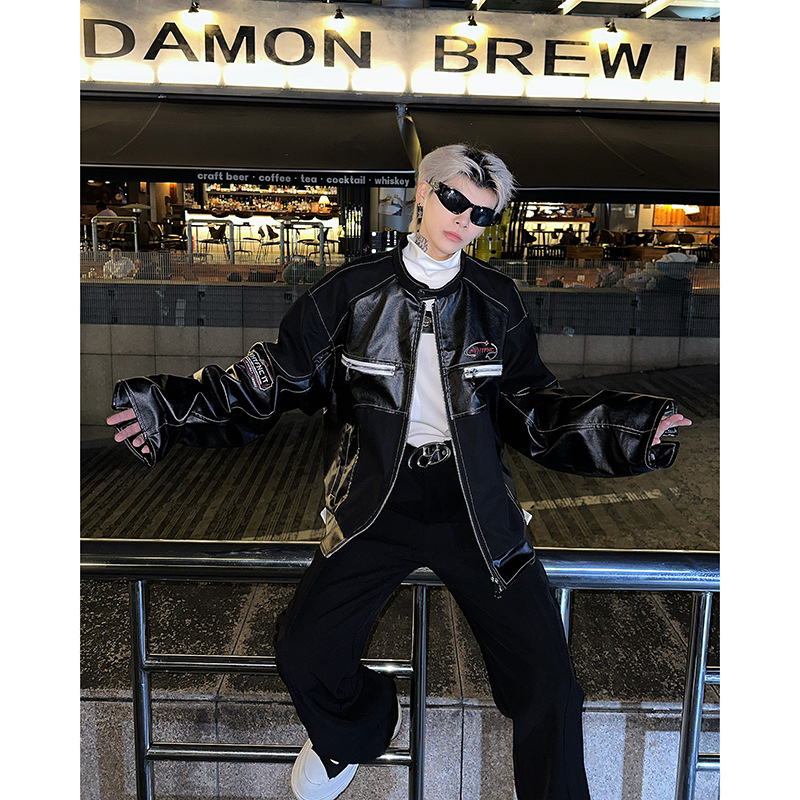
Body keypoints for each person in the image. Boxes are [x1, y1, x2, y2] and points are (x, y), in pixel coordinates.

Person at [106, 144, 691, 800]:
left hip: (473, 504)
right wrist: (168, 409)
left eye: (482, 213)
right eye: (454, 200)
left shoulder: (496, 300)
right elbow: (273, 378)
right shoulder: (352, 293)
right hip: (376, 495)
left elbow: (532, 408)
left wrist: (633, 429)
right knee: (304, 649)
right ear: (422, 191)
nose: (464, 220)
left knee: (549, 682)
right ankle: (354, 733)